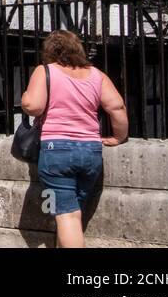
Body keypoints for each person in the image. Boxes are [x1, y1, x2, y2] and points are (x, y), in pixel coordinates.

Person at [20, 29, 128, 248]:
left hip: (56, 150)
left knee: (67, 215)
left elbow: (34, 106)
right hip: (91, 150)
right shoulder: (96, 75)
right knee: (73, 210)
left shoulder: (45, 71)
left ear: (49, 51)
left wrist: (24, 99)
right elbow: (116, 106)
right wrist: (118, 137)